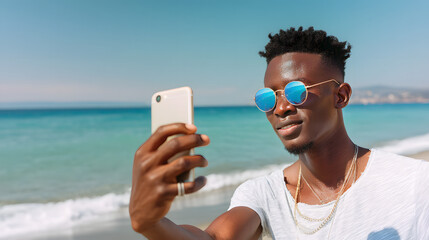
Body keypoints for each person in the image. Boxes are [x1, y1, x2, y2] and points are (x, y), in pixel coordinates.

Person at [129, 27, 429, 239]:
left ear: (341, 96)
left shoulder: (416, 183)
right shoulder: (263, 193)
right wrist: (150, 224)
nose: (280, 108)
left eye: (296, 92)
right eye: (268, 98)